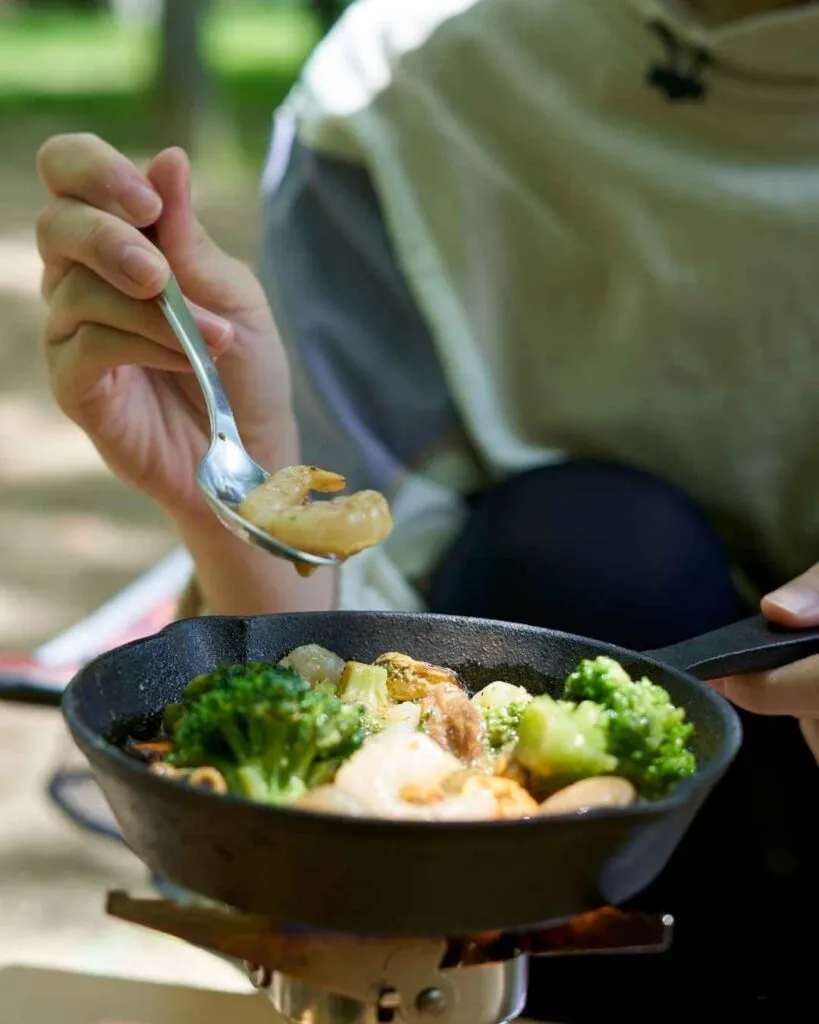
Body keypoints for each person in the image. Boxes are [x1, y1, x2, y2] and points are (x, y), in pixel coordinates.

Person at [34, 0, 818, 1017]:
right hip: (490, 868)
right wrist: (233, 490)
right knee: (594, 551)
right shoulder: (392, 91)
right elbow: (367, 655)